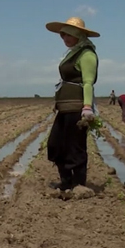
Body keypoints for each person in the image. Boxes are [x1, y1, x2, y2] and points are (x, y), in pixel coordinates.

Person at [45, 16, 99, 191]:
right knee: (56, 144)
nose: (65, 39)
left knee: (75, 146)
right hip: (65, 107)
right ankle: (66, 181)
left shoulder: (87, 54)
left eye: (68, 35)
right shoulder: (72, 53)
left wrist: (87, 107)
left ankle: (78, 184)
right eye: (62, 36)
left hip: (77, 107)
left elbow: (88, 82)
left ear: (78, 34)